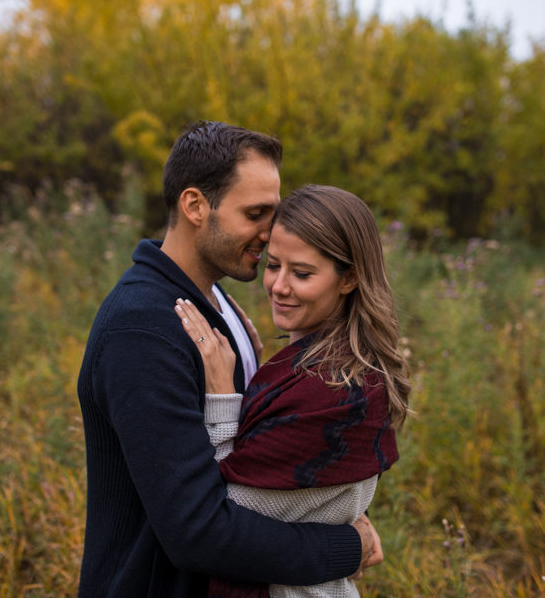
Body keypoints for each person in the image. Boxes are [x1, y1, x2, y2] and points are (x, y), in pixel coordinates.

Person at [76, 123, 380, 597]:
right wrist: (344, 548)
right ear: (195, 206)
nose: (271, 232)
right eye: (255, 214)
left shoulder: (215, 300)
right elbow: (199, 533)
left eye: (273, 213)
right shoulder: (142, 330)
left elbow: (250, 461)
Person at [175, 184, 412, 597]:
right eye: (273, 265)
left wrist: (221, 396)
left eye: (301, 273)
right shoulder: (314, 364)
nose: (279, 286)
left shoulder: (336, 389)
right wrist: (259, 376)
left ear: (349, 278)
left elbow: (227, 514)